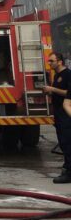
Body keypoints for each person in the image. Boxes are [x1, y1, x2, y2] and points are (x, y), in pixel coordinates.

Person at [43, 53, 70, 183]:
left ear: (60, 62)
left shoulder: (68, 74)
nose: (49, 63)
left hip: (66, 113)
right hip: (59, 113)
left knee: (67, 142)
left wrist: (52, 89)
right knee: (63, 142)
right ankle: (67, 167)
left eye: (51, 61)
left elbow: (68, 93)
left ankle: (69, 173)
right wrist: (50, 92)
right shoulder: (57, 75)